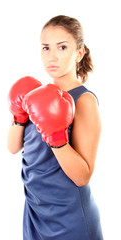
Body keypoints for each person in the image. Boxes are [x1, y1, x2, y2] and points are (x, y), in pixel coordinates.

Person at [7, 15, 104, 240]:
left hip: (69, 216)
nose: (52, 56)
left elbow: (83, 176)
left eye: (62, 47)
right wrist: (19, 115)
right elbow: (13, 147)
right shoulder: (36, 97)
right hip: (35, 211)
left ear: (79, 53)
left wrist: (57, 138)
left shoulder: (84, 101)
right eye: (46, 48)